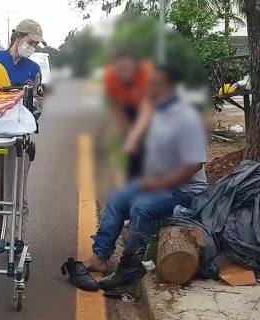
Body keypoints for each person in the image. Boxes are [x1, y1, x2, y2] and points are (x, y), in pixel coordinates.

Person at [65, 66, 209, 291]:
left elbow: (194, 165)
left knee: (141, 208)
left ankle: (132, 264)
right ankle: (99, 257)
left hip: (188, 192)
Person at [0, 19, 46, 245]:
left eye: (36, 45)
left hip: (18, 137)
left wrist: (28, 116)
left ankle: (17, 236)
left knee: (16, 188)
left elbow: (38, 99)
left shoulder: (33, 69)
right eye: (31, 42)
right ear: (18, 38)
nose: (33, 48)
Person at [104, 45, 154, 181]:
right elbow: (116, 109)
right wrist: (129, 134)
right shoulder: (109, 76)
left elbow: (147, 109)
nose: (123, 73)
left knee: (149, 148)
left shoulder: (146, 73)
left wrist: (134, 137)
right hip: (129, 107)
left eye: (127, 69)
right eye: (120, 69)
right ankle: (132, 187)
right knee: (133, 155)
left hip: (154, 110)